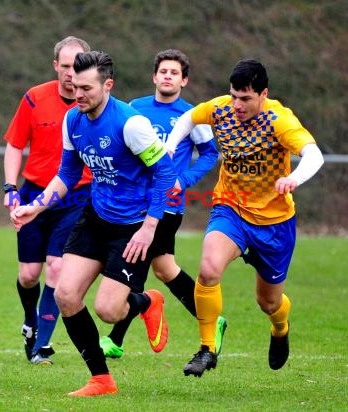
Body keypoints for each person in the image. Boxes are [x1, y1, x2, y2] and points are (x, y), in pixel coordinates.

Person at [11, 50, 177, 397]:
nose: (78, 94)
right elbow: (68, 173)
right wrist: (37, 207)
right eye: (74, 86)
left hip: (134, 227)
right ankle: (101, 379)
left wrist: (150, 227)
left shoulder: (131, 125)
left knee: (108, 310)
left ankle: (145, 302)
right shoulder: (73, 120)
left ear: (108, 85)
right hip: (96, 218)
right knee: (67, 295)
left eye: (86, 88)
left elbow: (164, 172)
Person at [165, 59, 324, 377]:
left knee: (268, 302)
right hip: (231, 208)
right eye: (234, 96)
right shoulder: (220, 108)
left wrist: (295, 178)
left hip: (274, 223)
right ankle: (207, 349)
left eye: (246, 98)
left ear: (263, 94)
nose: (237, 105)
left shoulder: (280, 120)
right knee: (208, 269)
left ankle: (280, 327)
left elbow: (314, 155)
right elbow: (187, 119)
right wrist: (170, 145)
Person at [99, 49, 228, 360]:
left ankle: (116, 337)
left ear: (184, 80)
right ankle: (210, 318)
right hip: (135, 201)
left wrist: (182, 181)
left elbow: (210, 153)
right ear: (154, 76)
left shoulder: (191, 115)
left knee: (136, 260)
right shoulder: (135, 108)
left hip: (167, 205)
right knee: (164, 268)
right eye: (163, 71)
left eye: (175, 72)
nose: (168, 76)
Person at [1, 36, 92, 365]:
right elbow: (14, 144)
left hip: (77, 196)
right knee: (29, 274)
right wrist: (10, 187)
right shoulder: (35, 98)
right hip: (33, 193)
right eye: (65, 66)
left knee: (56, 268)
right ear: (56, 65)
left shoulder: (94, 104)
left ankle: (40, 345)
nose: (71, 73)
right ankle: (30, 321)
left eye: (77, 66)